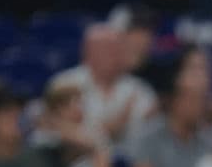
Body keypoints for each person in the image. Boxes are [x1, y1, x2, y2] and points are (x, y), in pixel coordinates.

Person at [50, 24, 158, 152]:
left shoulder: (140, 90)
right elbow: (55, 129)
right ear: (88, 53)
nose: (113, 56)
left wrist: (95, 130)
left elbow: (144, 135)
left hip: (128, 159)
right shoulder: (64, 84)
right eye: (105, 50)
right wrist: (113, 127)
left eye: (117, 49)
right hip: (74, 158)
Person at [129, 75, 212, 167]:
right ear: (175, 101)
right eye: (193, 99)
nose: (200, 106)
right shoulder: (149, 136)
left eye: (203, 100)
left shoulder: (208, 141)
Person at [31, 81, 114, 167]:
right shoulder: (41, 136)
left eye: (80, 102)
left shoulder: (95, 132)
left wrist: (56, 123)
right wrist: (58, 125)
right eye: (72, 103)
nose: (79, 107)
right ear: (56, 109)